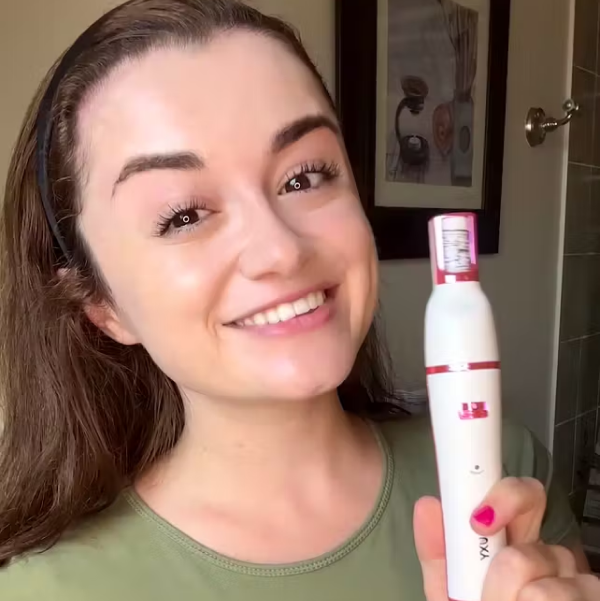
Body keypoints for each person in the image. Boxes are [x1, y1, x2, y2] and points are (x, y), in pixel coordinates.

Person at [0, 0, 597, 599]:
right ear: (101, 304)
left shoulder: (506, 469)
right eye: (183, 215)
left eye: (304, 177)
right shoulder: (46, 588)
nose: (280, 250)